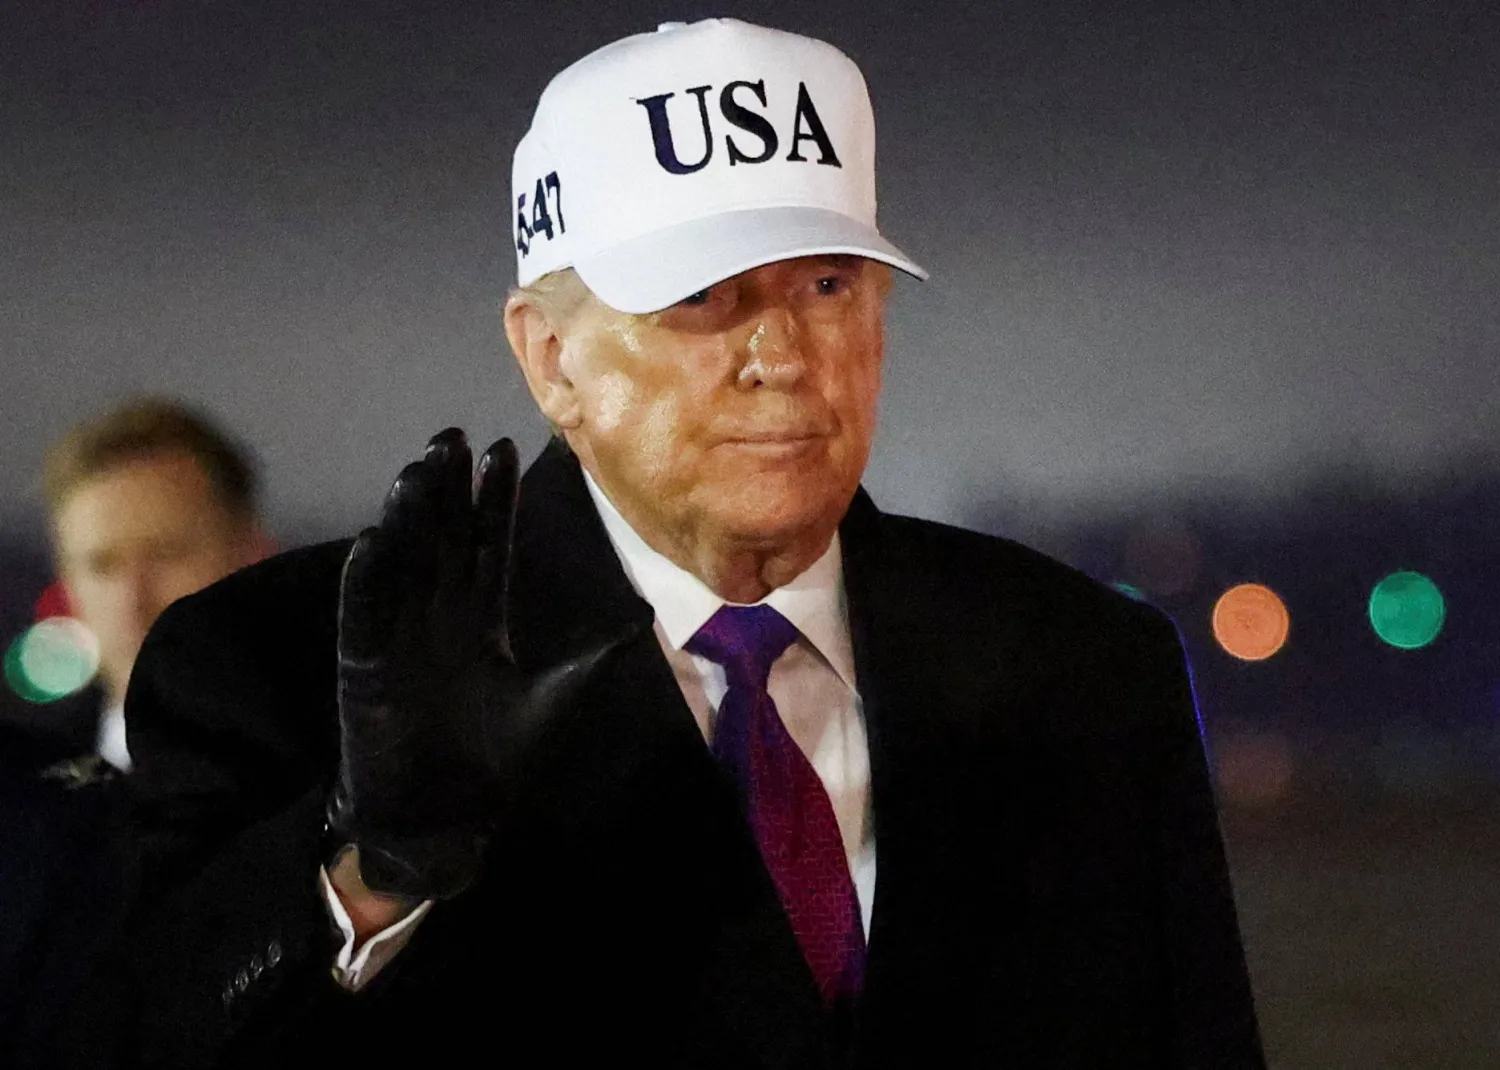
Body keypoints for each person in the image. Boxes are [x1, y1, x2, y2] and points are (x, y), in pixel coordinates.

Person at [97, 20, 1263, 1069]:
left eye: (826, 281)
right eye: (702, 295)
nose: (782, 351)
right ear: (551, 355)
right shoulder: (272, 667)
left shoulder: (1089, 669)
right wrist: (372, 870)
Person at [2, 399, 267, 1061]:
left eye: (167, 552)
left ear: (254, 555)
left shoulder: (342, 787)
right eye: (102, 564)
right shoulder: (21, 806)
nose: (134, 597)